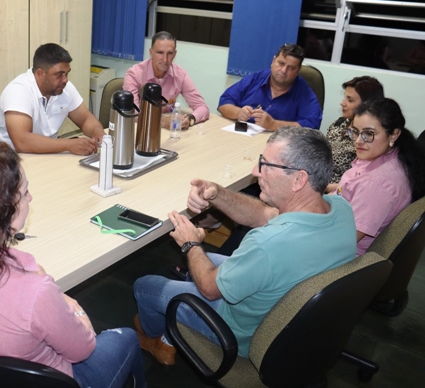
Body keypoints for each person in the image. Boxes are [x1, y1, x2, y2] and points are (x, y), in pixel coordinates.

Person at [0, 141, 146, 388]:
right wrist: (74, 307)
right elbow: (83, 350)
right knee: (126, 338)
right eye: (25, 191)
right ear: (4, 209)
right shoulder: (35, 291)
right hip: (61, 380)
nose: (30, 197)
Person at [133, 127, 356, 364]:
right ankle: (171, 331)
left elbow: (209, 287)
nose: (255, 171)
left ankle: (157, 341)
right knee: (202, 266)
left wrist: (190, 244)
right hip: (290, 318)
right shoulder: (340, 208)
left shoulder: (267, 244)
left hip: (241, 333)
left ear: (299, 179)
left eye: (266, 164)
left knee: (145, 286)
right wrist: (216, 194)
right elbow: (263, 214)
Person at [328, 98, 425, 256]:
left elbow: (342, 242)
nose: (359, 141)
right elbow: (352, 188)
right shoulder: (392, 156)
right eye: (355, 132)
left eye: (369, 133)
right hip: (332, 220)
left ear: (393, 135)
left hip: (338, 257)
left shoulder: (376, 185)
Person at [0, 43, 105, 155]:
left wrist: (98, 133)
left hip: (45, 156)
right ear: (40, 74)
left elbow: (85, 119)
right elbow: (22, 141)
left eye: (66, 73)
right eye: (59, 74)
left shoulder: (64, 88)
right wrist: (69, 144)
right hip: (5, 164)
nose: (65, 80)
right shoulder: (18, 90)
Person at [218, 43, 322, 130]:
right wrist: (238, 113)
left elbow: (311, 126)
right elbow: (224, 102)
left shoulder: (304, 92)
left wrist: (274, 124)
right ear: (273, 61)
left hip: (280, 147)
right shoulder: (256, 78)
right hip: (244, 137)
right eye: (281, 63)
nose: (283, 70)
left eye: (291, 68)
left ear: (297, 71)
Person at [124, 31, 210, 129]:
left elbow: (202, 107)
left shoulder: (180, 75)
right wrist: (162, 121)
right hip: (140, 130)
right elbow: (133, 112)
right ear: (151, 52)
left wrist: (190, 118)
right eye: (160, 53)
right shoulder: (134, 74)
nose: (165, 59)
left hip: (168, 132)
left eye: (170, 53)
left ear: (175, 54)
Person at [325, 76, 384, 183]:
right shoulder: (340, 123)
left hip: (341, 191)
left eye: (350, 100)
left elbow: (363, 180)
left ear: (367, 104)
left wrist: (326, 188)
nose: (342, 103)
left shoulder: (371, 140)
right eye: (344, 97)